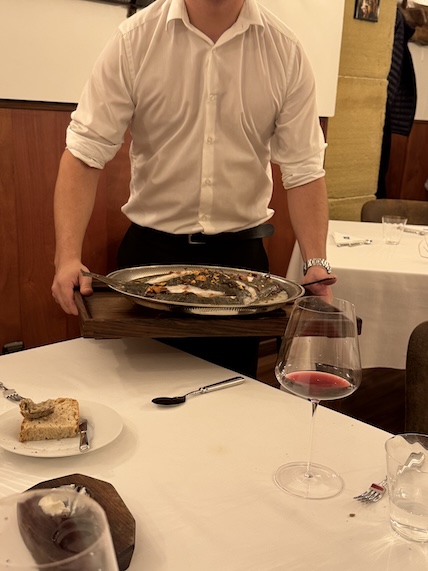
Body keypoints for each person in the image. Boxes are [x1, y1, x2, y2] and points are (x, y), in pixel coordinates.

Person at [51, 0, 336, 377]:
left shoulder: (285, 50)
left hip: (243, 267)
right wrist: (66, 257)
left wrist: (316, 263)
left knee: (232, 397)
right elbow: (84, 154)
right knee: (140, 396)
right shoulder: (134, 40)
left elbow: (305, 171)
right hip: (149, 261)